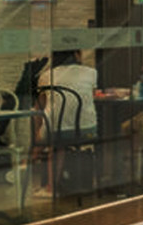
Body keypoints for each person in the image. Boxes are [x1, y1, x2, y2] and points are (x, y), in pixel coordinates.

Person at [34, 50, 98, 195]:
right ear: (76, 55)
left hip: (56, 131)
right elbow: (90, 97)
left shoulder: (46, 76)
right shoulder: (91, 72)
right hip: (87, 130)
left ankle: (50, 186)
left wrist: (37, 133)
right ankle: (94, 182)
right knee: (61, 137)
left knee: (56, 141)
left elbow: (40, 107)